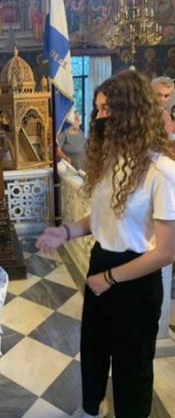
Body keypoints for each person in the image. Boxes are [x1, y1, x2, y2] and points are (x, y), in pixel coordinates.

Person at [37, 70, 175, 418]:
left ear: (130, 112)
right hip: (101, 262)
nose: (98, 117)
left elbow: (166, 252)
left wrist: (110, 278)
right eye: (97, 109)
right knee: (94, 349)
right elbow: (103, 219)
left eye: (105, 110)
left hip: (135, 279)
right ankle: (90, 409)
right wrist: (66, 232)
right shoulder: (112, 161)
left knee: (132, 367)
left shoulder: (162, 172)